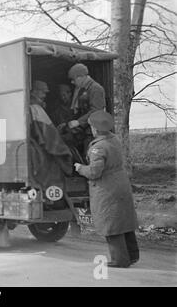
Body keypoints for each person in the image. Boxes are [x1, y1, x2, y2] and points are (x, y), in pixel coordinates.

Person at [74, 110, 139, 268]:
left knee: (111, 224)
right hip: (121, 184)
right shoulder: (114, 140)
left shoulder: (99, 147)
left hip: (107, 188)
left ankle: (120, 260)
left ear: (95, 129)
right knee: (124, 221)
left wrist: (80, 168)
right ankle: (132, 255)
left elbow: (94, 172)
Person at [29, 80, 73, 186]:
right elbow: (48, 137)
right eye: (43, 93)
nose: (45, 96)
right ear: (34, 92)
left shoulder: (35, 107)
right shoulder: (35, 108)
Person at [64, 63, 106, 153]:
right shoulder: (83, 90)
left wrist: (78, 122)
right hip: (87, 131)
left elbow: (97, 110)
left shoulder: (95, 89)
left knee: (91, 157)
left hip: (94, 132)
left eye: (73, 79)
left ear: (80, 77)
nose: (72, 82)